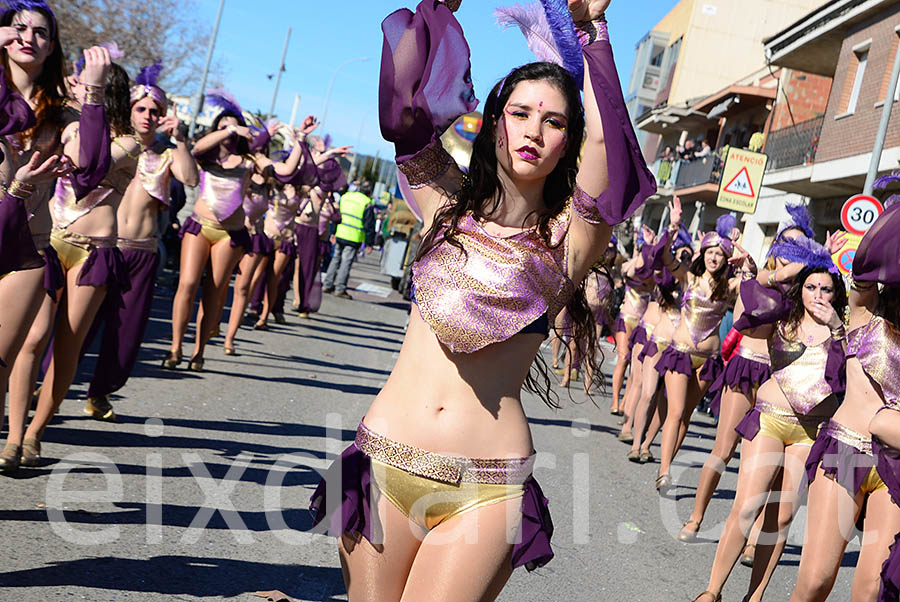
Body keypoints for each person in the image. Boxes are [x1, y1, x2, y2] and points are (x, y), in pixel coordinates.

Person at [309, 1, 654, 599]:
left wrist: (591, 31)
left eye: (553, 122)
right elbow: (407, 111)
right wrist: (436, 8)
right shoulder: (444, 206)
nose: (533, 131)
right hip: (385, 460)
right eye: (520, 113)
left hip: (485, 486)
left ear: (567, 140)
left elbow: (609, 145)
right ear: (495, 122)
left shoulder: (569, 241)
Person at [694, 247, 847, 602]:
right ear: (800, 289)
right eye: (811, 287)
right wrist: (780, 269)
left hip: (810, 432)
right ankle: (712, 591)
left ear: (836, 294)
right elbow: (752, 298)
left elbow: (847, 376)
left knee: (780, 519)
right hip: (769, 421)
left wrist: (837, 328)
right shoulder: (781, 318)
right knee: (748, 506)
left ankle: (755, 596)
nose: (818, 296)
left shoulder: (845, 332)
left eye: (826, 289)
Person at [678, 204, 814, 546]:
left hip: (779, 382)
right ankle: (696, 516)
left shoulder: (806, 295)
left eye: (799, 248)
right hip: (745, 369)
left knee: (767, 464)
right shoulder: (757, 282)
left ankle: (754, 536)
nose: (790, 256)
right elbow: (749, 317)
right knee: (723, 450)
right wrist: (764, 275)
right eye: (786, 247)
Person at [788, 192, 900, 601]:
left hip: (896, 467)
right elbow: (869, 258)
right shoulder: (867, 308)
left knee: (872, 589)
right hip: (847, 452)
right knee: (816, 581)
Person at [79, 62, 199, 420]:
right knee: (78, 325)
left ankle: (99, 393)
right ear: (130, 109)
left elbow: (190, 178)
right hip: (103, 249)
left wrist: (180, 140)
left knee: (126, 335)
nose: (148, 116)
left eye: (155, 111)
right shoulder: (112, 143)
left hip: (143, 254)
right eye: (141, 108)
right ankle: (49, 381)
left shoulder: (165, 153)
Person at [162, 91, 304, 371]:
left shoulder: (250, 161)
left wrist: (299, 141)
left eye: (233, 125)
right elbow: (197, 148)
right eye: (223, 124)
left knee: (214, 292)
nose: (229, 130)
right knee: (187, 284)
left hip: (230, 233)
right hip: (200, 227)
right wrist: (229, 127)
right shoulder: (206, 156)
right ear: (218, 128)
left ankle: (198, 351)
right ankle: (176, 347)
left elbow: (285, 170)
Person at [654, 198, 738, 494]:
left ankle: (666, 465)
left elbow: (757, 279)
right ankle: (664, 471)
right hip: (680, 353)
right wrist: (674, 224)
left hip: (708, 359)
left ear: (726, 259)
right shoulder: (688, 277)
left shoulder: (731, 286)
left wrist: (738, 246)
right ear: (704, 254)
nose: (714, 258)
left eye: (720, 254)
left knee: (687, 416)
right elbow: (664, 257)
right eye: (711, 253)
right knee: (675, 412)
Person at [322, 180, 373, 298]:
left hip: (340, 233)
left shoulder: (345, 197)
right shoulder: (367, 203)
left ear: (359, 188)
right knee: (346, 262)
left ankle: (327, 284)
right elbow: (369, 225)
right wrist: (369, 244)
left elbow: (337, 215)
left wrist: (333, 232)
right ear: (369, 192)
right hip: (353, 236)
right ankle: (340, 288)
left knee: (335, 259)